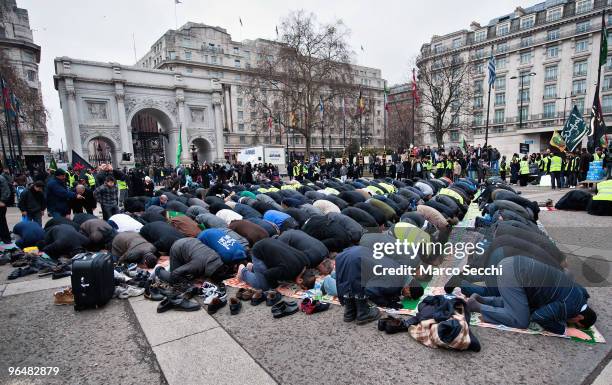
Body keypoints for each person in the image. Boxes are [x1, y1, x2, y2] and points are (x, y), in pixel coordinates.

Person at [466, 256, 597, 336]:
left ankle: (482, 300)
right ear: (579, 316)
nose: (572, 324)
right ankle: (476, 306)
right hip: (514, 274)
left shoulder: (580, 293)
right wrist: (564, 330)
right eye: (576, 324)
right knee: (521, 320)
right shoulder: (570, 307)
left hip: (515, 264)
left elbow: (585, 293)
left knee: (525, 306)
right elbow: (539, 316)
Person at [236, 237, 317, 291]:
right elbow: (268, 274)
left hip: (270, 243)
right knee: (264, 286)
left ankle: (253, 268)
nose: (298, 286)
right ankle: (243, 271)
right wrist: (277, 287)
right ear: (300, 280)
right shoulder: (287, 270)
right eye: (301, 286)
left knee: (276, 274)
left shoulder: (306, 262)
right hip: (259, 251)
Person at [155, 238, 226, 285]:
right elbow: (175, 273)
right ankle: (159, 270)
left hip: (192, 241)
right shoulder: (197, 264)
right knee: (174, 280)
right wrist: (191, 283)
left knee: (189, 273)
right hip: (178, 247)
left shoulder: (217, 258)